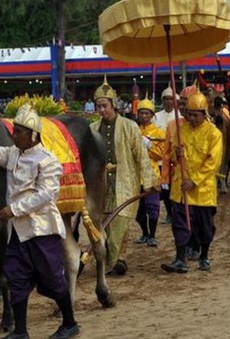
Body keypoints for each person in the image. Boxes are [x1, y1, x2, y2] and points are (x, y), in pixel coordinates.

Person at [0, 104, 79, 339]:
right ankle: (21, 331)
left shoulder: (48, 161)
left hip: (42, 232)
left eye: (19, 132)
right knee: (16, 278)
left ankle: (70, 323)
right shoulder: (13, 153)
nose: (14, 135)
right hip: (19, 233)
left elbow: (46, 195)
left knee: (54, 279)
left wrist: (14, 209)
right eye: (14, 131)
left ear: (33, 136)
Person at [90, 77, 158, 276]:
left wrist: (150, 181)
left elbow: (141, 156)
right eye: (98, 107)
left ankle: (117, 261)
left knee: (119, 223)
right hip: (100, 185)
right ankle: (112, 259)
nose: (102, 110)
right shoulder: (92, 129)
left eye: (105, 106)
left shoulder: (130, 126)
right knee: (102, 224)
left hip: (124, 181)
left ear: (114, 104)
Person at [161, 92, 223, 274]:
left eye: (196, 114)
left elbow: (213, 163)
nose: (191, 118)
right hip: (181, 189)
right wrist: (177, 154)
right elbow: (172, 155)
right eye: (189, 113)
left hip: (202, 190)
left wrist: (194, 181)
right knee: (179, 224)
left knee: (205, 227)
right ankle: (180, 259)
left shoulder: (214, 134)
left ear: (204, 114)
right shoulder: (181, 131)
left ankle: (204, 256)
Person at [135, 98, 165, 247]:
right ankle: (144, 233)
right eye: (141, 113)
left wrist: (149, 146)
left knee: (152, 208)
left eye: (147, 113)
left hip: (152, 173)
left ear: (152, 115)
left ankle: (152, 235)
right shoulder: (134, 130)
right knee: (138, 211)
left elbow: (161, 154)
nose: (144, 116)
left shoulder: (158, 132)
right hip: (136, 175)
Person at [155, 84, 180, 225]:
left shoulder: (180, 117)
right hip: (160, 159)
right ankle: (169, 213)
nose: (168, 102)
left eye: (171, 99)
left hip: (175, 159)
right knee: (164, 190)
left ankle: (175, 213)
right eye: (166, 99)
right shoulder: (156, 117)